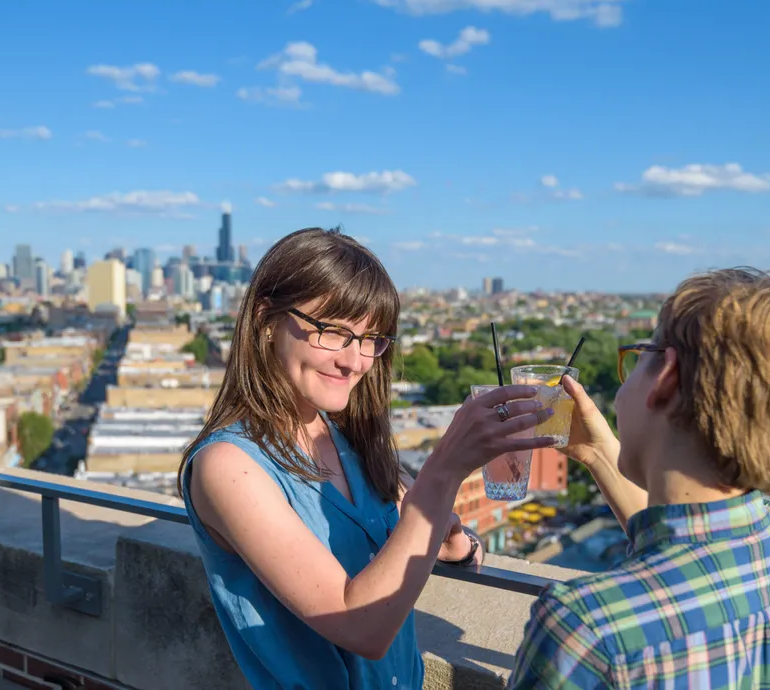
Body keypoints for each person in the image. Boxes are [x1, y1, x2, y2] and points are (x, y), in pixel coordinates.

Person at [180, 227, 556, 690]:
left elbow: (418, 531)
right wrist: (446, 466)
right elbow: (362, 628)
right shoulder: (228, 466)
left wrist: (458, 546)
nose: (356, 361)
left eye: (371, 339)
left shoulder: (350, 440)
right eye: (333, 332)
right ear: (267, 320)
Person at [509, 267, 770, 689]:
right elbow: (691, 555)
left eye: (638, 357)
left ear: (666, 377)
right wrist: (598, 453)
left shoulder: (587, 628)